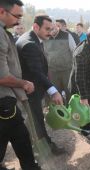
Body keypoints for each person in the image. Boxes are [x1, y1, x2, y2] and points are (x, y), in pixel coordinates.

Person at [0, 0, 40, 169]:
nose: (19, 21)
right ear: (2, 11)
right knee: (20, 139)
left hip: (6, 103)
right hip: (4, 103)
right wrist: (24, 83)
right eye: (17, 16)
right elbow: (1, 76)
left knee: (15, 138)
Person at [16, 15, 64, 155]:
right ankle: (45, 150)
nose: (50, 32)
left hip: (32, 88)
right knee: (37, 121)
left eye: (52, 29)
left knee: (35, 120)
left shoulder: (31, 38)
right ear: (36, 27)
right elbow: (36, 72)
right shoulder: (30, 43)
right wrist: (53, 91)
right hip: (30, 92)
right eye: (47, 29)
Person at [44, 20, 76, 103]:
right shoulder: (45, 37)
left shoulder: (67, 35)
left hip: (67, 70)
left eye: (53, 28)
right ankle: (59, 113)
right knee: (55, 93)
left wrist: (75, 67)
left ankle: (70, 111)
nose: (52, 31)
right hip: (52, 71)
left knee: (69, 92)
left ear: (57, 26)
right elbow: (44, 54)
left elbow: (74, 51)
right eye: (49, 29)